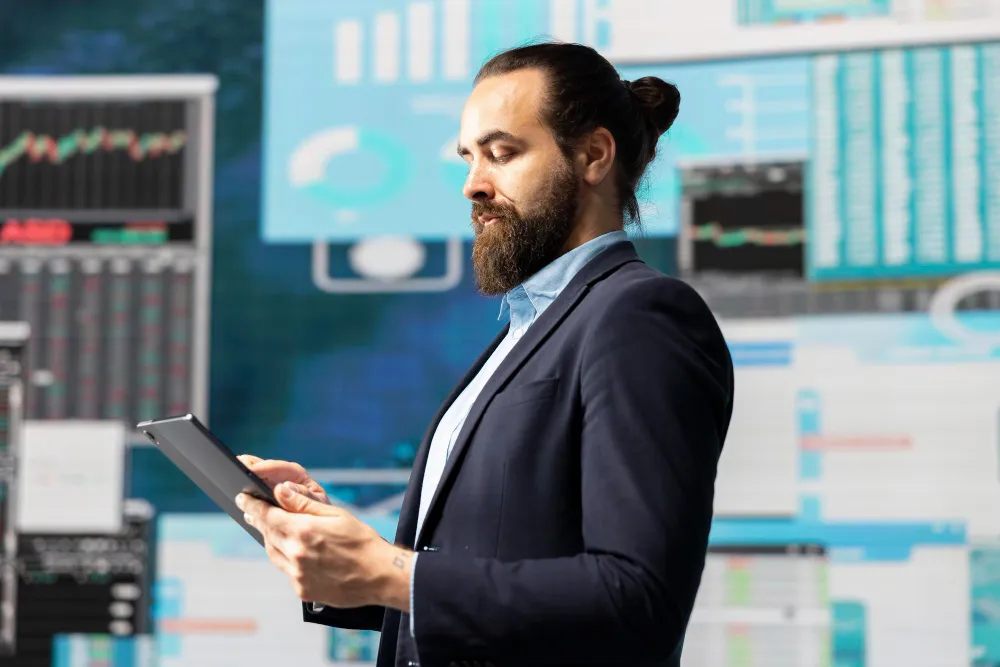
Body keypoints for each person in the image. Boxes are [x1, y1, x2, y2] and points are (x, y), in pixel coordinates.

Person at [235, 41, 734, 667]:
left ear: (593, 155)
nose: (474, 184)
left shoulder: (639, 318)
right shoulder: (528, 327)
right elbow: (489, 563)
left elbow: (636, 603)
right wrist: (347, 551)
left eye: (503, 153)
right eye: (469, 158)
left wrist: (390, 571)